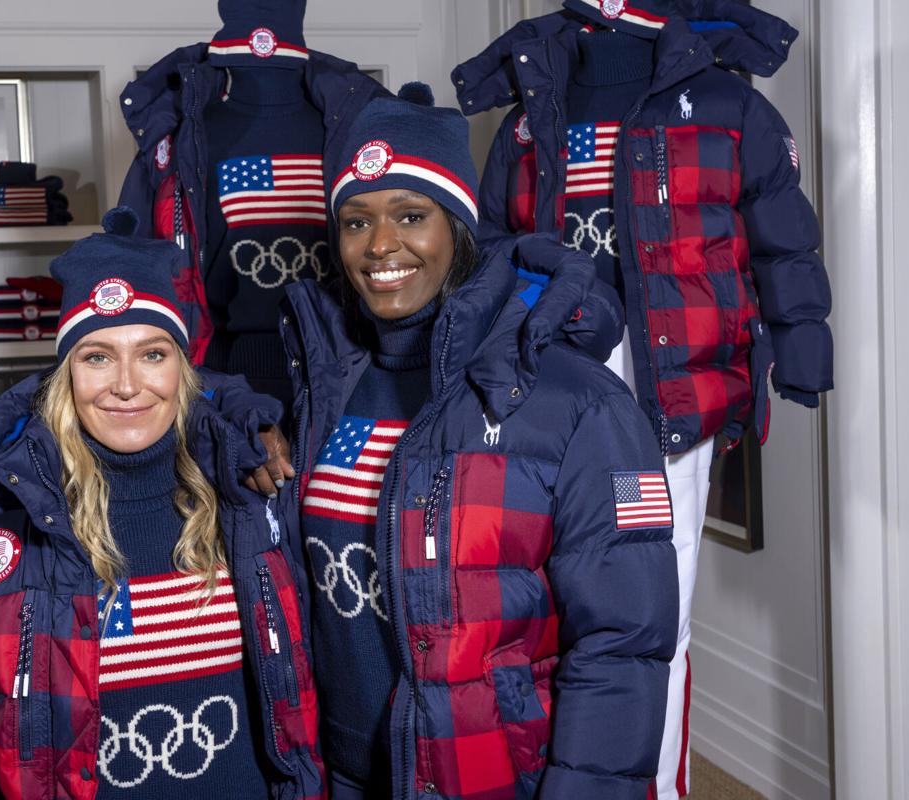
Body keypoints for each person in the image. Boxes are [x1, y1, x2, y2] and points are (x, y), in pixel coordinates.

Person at [451, 3, 833, 795]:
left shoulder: (728, 108)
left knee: (652, 614)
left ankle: (654, 785)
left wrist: (803, 352)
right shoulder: (531, 114)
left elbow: (781, 236)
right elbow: (491, 247)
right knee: (550, 603)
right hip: (547, 393)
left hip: (671, 396)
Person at [277, 83, 679, 799]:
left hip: (485, 774)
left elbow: (623, 645)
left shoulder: (578, 402)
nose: (380, 247)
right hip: (338, 773)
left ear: (458, 226)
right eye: (355, 222)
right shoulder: (322, 387)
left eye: (411, 216)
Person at [0, 208, 322, 799]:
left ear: (183, 368)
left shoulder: (251, 499)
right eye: (97, 356)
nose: (126, 384)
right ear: (65, 371)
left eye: (152, 354)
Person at [116, 0, 388, 409]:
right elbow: (131, 266)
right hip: (218, 376)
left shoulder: (357, 125)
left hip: (351, 370)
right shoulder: (181, 134)